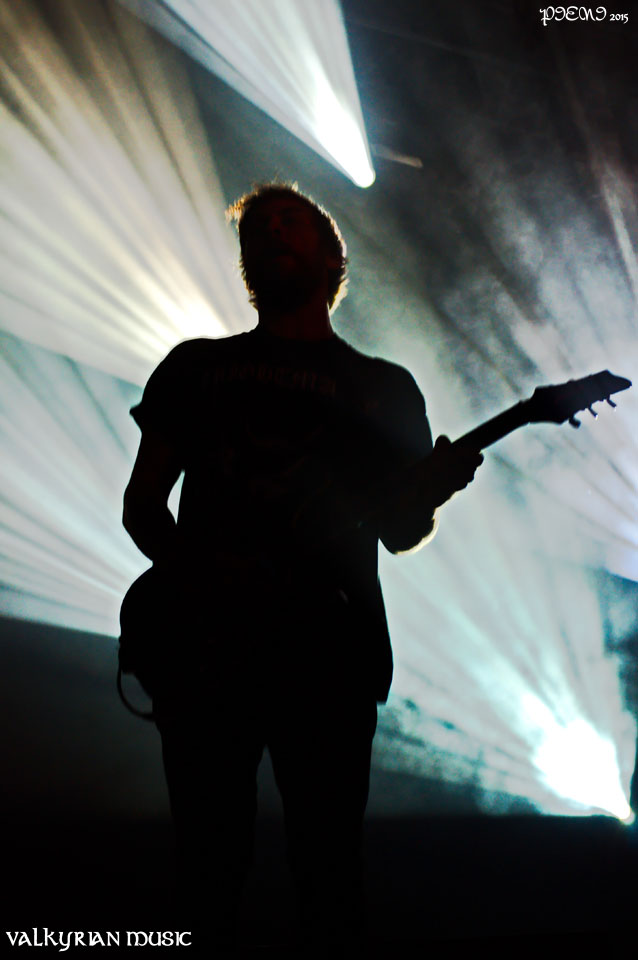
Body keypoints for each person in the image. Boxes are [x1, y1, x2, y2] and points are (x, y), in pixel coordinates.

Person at [121, 182, 482, 955]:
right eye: (258, 227)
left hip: (329, 659)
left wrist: (432, 492)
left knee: (328, 873)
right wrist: (208, 581)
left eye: (291, 221)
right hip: (209, 658)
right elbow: (143, 506)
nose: (272, 231)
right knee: (208, 871)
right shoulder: (195, 368)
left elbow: (399, 532)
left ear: (331, 255)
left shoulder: (384, 388)